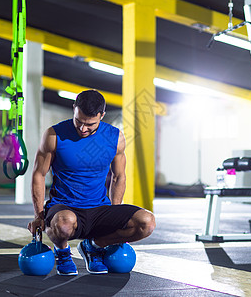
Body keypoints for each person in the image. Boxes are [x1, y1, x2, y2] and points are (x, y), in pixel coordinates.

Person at [27, 89, 155, 275]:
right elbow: (38, 174)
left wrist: (115, 211)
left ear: (102, 116)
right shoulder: (54, 135)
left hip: (99, 208)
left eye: (90, 124)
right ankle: (62, 252)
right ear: (74, 109)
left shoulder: (115, 137)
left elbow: (119, 176)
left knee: (147, 222)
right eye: (79, 121)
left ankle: (94, 246)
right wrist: (38, 216)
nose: (83, 129)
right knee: (63, 223)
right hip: (64, 207)